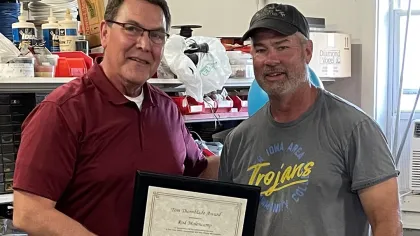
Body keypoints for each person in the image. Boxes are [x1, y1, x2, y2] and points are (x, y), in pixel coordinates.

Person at [12, 0, 219, 235]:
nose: (144, 44)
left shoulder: (166, 109)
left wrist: (253, 147)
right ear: (105, 33)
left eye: (156, 35)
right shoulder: (62, 111)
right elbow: (29, 211)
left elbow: (199, 170)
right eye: (132, 29)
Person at [218, 3, 402, 236]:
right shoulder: (238, 140)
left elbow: (388, 225)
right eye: (261, 50)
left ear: (308, 51)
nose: (271, 60)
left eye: (282, 47)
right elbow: (229, 221)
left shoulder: (356, 129)